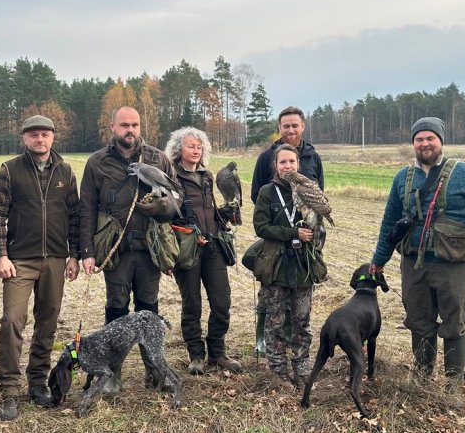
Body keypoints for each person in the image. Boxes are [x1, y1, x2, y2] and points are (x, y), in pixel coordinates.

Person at [370, 117, 465, 389]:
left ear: (441, 140)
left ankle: (453, 385)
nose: (425, 143)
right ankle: (422, 379)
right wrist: (379, 259)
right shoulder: (403, 177)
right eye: (419, 139)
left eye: (430, 138)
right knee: (419, 321)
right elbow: (390, 222)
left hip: (455, 262)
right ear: (413, 143)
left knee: (456, 322)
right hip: (414, 263)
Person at [0, 115, 81, 422]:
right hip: (19, 260)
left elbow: (74, 216)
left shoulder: (66, 172)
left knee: (48, 322)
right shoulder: (9, 170)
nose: (39, 140)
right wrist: (1, 255)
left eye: (45, 134)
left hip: (56, 258)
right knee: (12, 320)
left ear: (53, 138)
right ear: (24, 139)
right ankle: (9, 390)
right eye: (33, 135)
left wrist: (74, 255)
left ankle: (38, 381)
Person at [79, 106, 174, 390]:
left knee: (149, 310)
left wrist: (162, 207)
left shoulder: (157, 158)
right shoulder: (97, 162)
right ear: (112, 127)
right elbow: (87, 209)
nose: (130, 130)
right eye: (124, 125)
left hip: (149, 250)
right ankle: (113, 374)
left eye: (134, 124)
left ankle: (155, 372)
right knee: (117, 311)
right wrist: (87, 251)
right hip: (115, 251)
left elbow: (176, 204)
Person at [164, 127, 242, 375]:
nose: (196, 151)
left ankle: (217, 353)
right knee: (192, 304)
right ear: (179, 149)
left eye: (199, 147)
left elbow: (209, 209)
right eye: (191, 146)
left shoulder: (207, 176)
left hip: (214, 246)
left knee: (222, 302)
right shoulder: (171, 177)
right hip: (187, 248)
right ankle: (196, 355)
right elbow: (165, 215)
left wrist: (224, 215)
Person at [249, 106, 324, 355]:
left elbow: (318, 195)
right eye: (285, 126)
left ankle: (294, 341)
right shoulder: (265, 158)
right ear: (279, 128)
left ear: (303, 126)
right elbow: (258, 195)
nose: (290, 129)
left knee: (300, 292)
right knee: (270, 291)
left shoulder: (313, 157)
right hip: (277, 237)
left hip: (306, 237)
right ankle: (265, 341)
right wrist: (281, 223)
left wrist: (310, 231)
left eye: (295, 125)